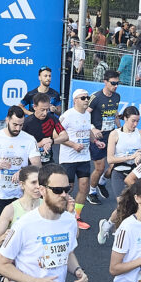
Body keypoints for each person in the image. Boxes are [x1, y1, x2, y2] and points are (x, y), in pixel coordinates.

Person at [0, 105, 40, 256]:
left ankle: (9, 267)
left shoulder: (29, 139)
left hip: (19, 194)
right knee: (2, 235)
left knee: (20, 233)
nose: (18, 128)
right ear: (7, 120)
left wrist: (23, 171)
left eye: (21, 125)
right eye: (15, 124)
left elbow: (37, 164)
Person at [56, 88, 96, 229]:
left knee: (84, 187)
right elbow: (56, 136)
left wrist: (95, 141)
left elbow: (87, 130)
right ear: (75, 100)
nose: (86, 100)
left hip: (84, 157)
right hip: (68, 159)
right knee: (68, 188)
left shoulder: (87, 115)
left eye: (87, 97)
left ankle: (76, 217)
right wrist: (73, 145)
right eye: (83, 98)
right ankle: (59, 214)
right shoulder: (67, 116)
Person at [86, 71, 124, 200]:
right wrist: (93, 129)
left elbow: (115, 114)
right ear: (105, 82)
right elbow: (84, 115)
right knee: (100, 167)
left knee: (115, 165)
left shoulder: (116, 97)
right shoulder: (95, 97)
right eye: (113, 83)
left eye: (117, 83)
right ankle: (91, 192)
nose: (116, 86)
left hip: (111, 135)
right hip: (98, 137)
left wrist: (121, 130)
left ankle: (101, 182)